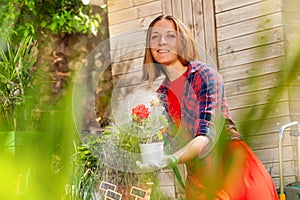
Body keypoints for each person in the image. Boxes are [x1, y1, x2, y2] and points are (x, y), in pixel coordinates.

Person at [141, 14, 278, 200]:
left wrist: (171, 159)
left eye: (170, 36)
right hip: (199, 179)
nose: (161, 41)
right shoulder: (161, 95)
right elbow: (167, 141)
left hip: (231, 172)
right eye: (155, 36)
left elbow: (206, 136)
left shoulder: (205, 76)